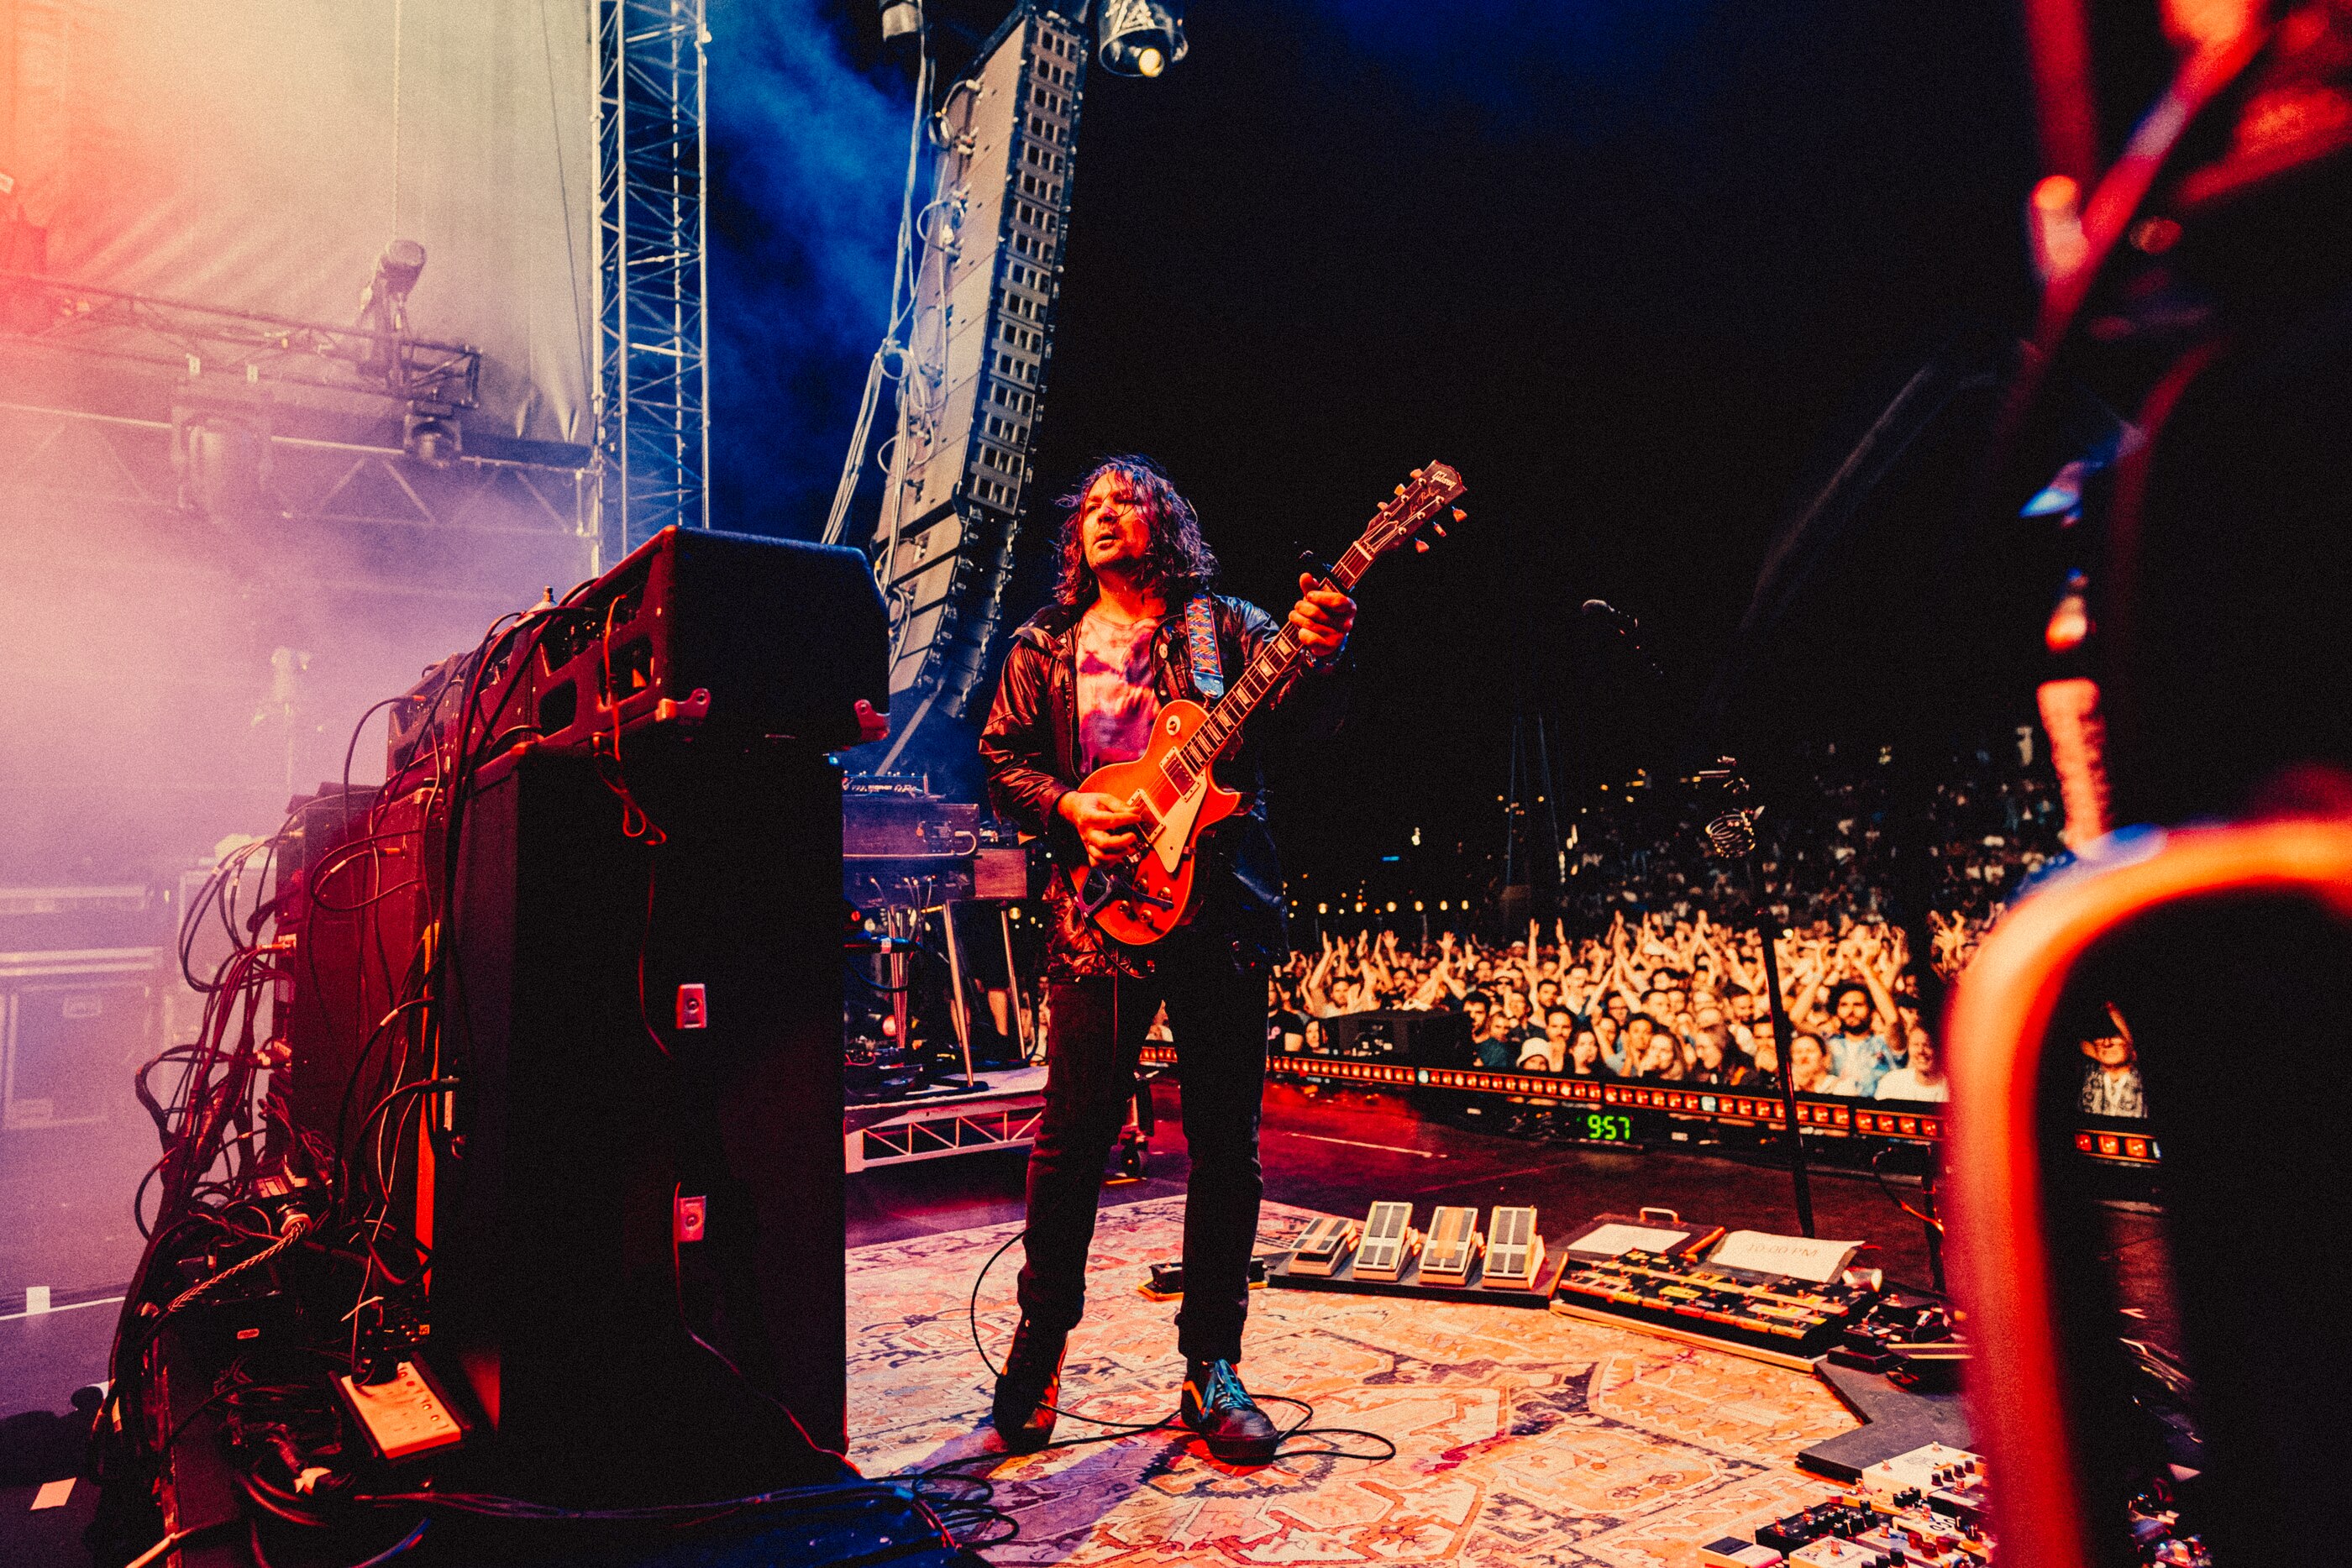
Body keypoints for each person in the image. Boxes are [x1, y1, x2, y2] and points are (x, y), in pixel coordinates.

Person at [978, 455, 1356, 1463]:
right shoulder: (1043, 644)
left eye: (1124, 501)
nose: (1104, 515)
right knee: (1071, 1145)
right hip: (1100, 914)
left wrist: (1319, 654)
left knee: (1226, 1147)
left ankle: (1211, 1366)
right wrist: (1068, 806)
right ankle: (1039, 1346)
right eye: (1090, 507)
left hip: (1222, 911)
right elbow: (1002, 759)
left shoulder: (1227, 625)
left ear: (1166, 521)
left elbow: (1314, 725)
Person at [1874, 1028, 1948, 1102]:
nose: (1920, 1051)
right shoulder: (1891, 1082)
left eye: (1928, 1045)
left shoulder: (1953, 1090)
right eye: (1916, 1045)